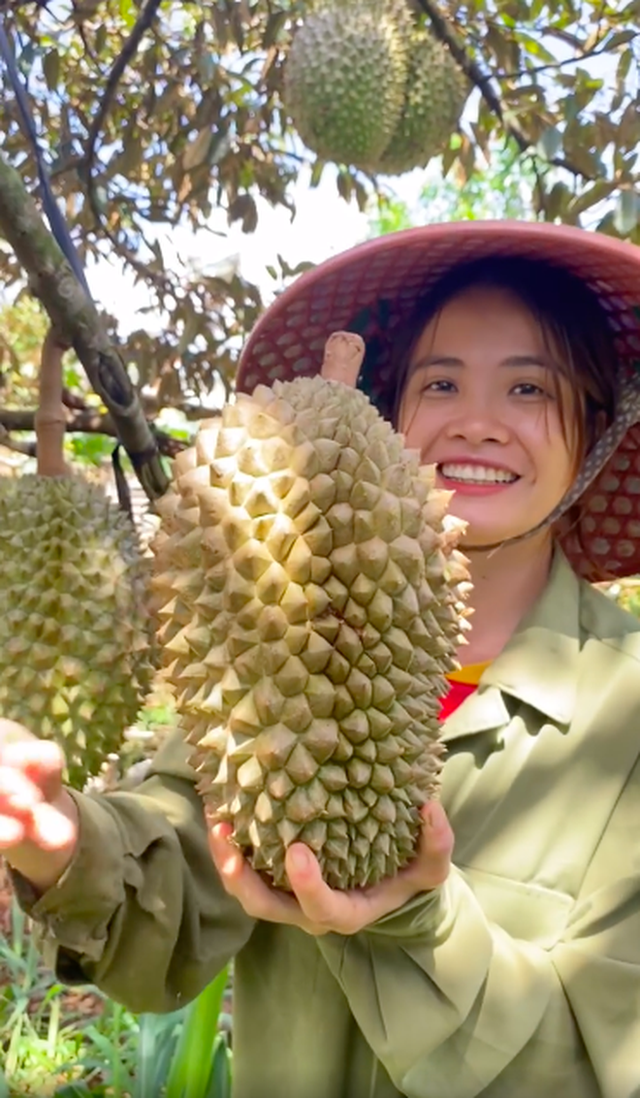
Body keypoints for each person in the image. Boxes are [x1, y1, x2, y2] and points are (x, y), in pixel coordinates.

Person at [2, 219, 640, 1098]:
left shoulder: (629, 707)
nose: (480, 422)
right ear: (392, 418)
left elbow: (607, 1058)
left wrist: (416, 923)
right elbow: (183, 875)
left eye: (529, 387)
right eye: (441, 381)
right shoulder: (276, 622)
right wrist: (67, 845)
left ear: (599, 433)